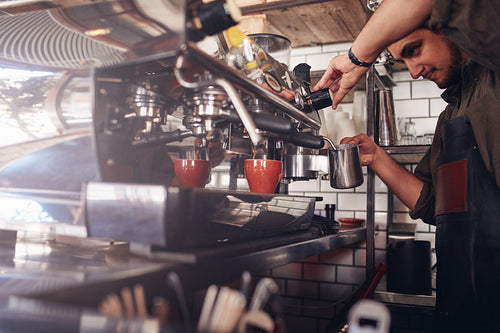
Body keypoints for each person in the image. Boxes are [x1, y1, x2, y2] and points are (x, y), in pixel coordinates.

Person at [314, 0, 500, 331]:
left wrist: (357, 60)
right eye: (404, 60)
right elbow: (432, 205)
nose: (414, 71)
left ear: (448, 26)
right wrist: (376, 157)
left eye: (414, 50)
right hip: (461, 307)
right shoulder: (450, 117)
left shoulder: (493, 71)